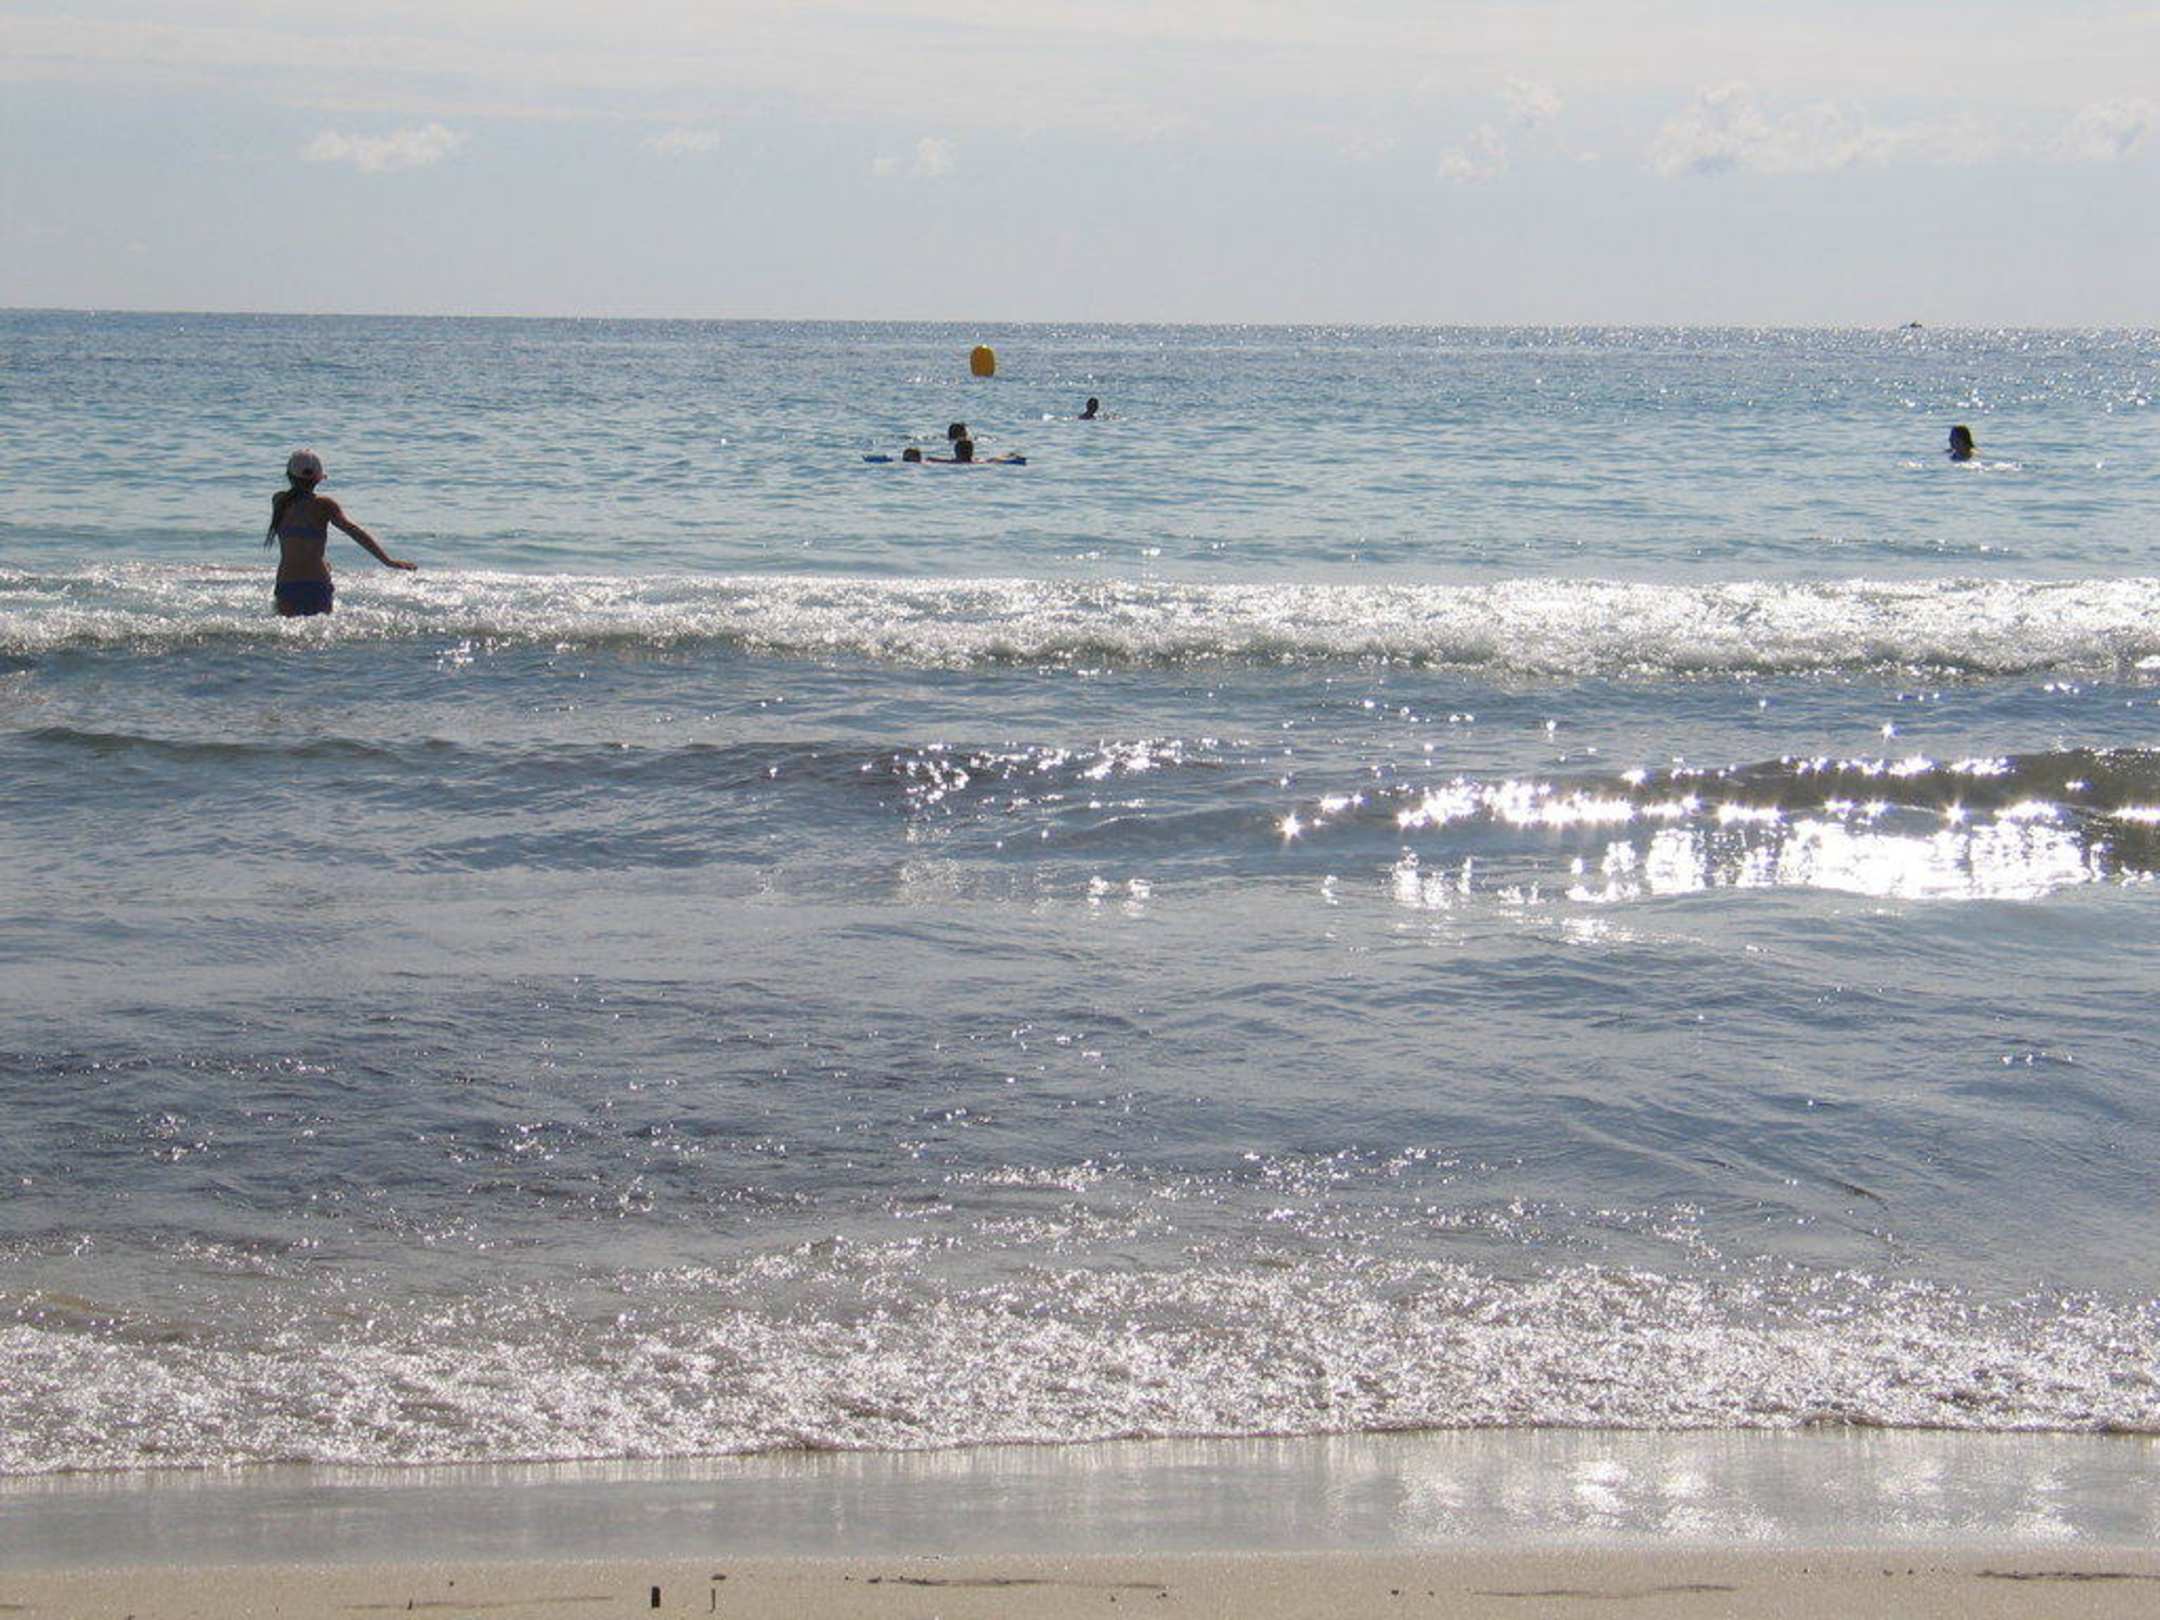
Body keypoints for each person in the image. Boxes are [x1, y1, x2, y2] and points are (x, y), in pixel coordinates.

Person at [265, 449, 415, 615]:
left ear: (289, 475)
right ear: (319, 478)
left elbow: (299, 539)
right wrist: (387, 561)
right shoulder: (325, 505)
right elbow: (354, 531)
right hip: (317, 581)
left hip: (287, 582)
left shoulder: (279, 501)